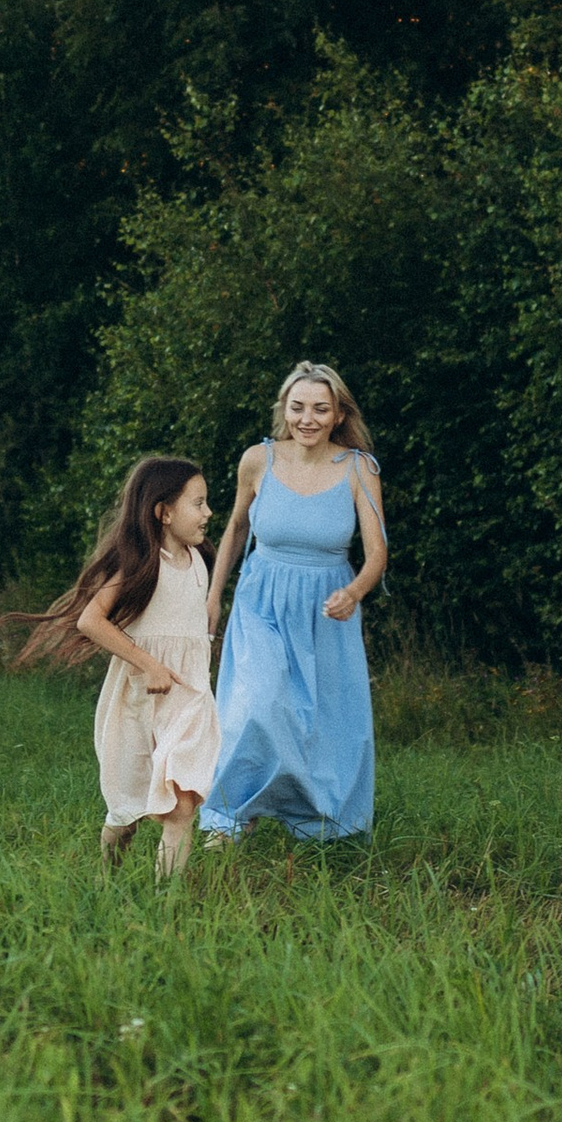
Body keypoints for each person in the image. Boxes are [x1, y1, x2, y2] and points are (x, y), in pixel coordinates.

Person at [201, 362, 386, 845]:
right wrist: (213, 596)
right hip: (261, 597)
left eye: (320, 409)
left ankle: (324, 822)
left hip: (328, 605)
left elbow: (378, 552)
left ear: (339, 414)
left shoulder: (358, 469)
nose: (308, 418)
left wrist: (355, 591)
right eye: (298, 407)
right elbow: (237, 528)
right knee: (257, 704)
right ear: (284, 409)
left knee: (328, 719)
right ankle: (229, 817)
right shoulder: (258, 460)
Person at [10, 456, 220, 877]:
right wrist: (150, 665)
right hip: (140, 697)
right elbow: (91, 620)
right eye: (198, 504)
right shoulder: (141, 564)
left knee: (181, 807)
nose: (208, 513)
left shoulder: (200, 560)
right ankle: (107, 880)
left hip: (188, 697)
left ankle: (166, 906)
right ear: (163, 512)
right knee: (126, 813)